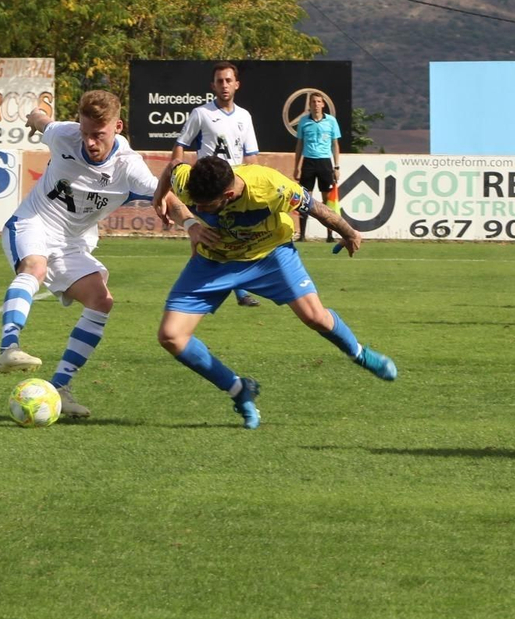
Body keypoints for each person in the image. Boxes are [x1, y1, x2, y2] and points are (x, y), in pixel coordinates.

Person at [151, 155, 397, 429]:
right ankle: (238, 389)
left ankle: (359, 353)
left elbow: (314, 208)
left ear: (229, 194)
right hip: (213, 262)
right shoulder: (192, 182)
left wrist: (349, 232)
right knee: (171, 336)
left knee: (315, 316)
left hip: (269, 256)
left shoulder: (272, 187)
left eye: (205, 206)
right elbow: (173, 167)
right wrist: (181, 216)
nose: (197, 207)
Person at [0, 90, 188, 419]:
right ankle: (8, 347)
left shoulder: (128, 166)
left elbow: (164, 197)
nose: (90, 142)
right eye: (85, 133)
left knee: (102, 300)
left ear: (118, 127)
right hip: (33, 222)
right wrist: (34, 116)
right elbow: (42, 122)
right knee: (34, 268)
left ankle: (60, 388)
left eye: (98, 134)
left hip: (72, 243)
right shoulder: (65, 135)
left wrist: (193, 225)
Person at [170, 61, 262, 306]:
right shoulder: (201, 113)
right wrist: (176, 171)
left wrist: (254, 182)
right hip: (207, 186)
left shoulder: (244, 116)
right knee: (203, 236)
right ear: (213, 85)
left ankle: (237, 291)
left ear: (237, 84)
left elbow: (251, 154)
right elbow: (181, 143)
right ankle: (197, 286)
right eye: (220, 81)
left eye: (228, 80)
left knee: (237, 236)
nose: (224, 85)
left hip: (233, 186)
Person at [292, 92, 341, 243]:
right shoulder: (303, 121)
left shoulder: (331, 121)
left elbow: (335, 144)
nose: (316, 104)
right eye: (313, 102)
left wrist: (336, 166)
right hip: (309, 162)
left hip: (325, 162)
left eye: (319, 102)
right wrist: (296, 166)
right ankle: (302, 235)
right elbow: (299, 144)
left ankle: (330, 235)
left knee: (327, 200)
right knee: (305, 199)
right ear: (310, 104)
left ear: (323, 104)